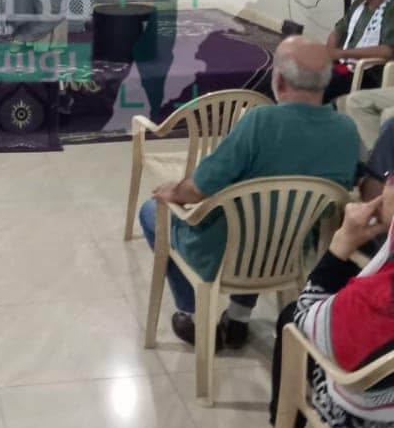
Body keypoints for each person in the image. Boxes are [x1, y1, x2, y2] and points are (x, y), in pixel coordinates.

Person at [138, 37, 360, 350]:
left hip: (226, 251)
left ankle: (194, 316)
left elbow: (198, 188)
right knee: (266, 218)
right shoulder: (346, 129)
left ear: (278, 80)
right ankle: (239, 318)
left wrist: (172, 191)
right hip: (291, 251)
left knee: (151, 212)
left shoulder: (259, 121)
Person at [248, 193, 394, 428]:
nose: (383, 187)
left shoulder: (382, 293)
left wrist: (342, 243)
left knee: (291, 321)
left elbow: (305, 320)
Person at [324, 0, 394, 102]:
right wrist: (331, 54)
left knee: (319, 86)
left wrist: (342, 53)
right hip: (344, 65)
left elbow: (386, 51)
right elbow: (337, 31)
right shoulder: (360, 2)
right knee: (298, 73)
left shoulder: (390, 10)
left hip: (368, 73)